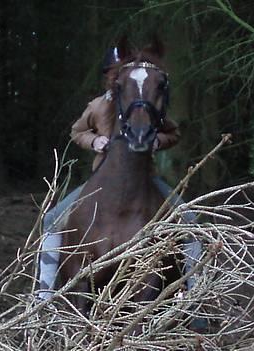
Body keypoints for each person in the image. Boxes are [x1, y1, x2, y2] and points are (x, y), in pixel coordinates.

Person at [37, 47, 202, 300]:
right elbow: (77, 131)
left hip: (146, 177)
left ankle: (196, 300)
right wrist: (94, 141)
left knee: (189, 221)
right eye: (109, 74)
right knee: (51, 221)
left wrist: (158, 141)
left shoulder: (145, 104)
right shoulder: (98, 106)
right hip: (102, 175)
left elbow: (173, 132)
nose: (111, 78)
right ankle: (43, 297)